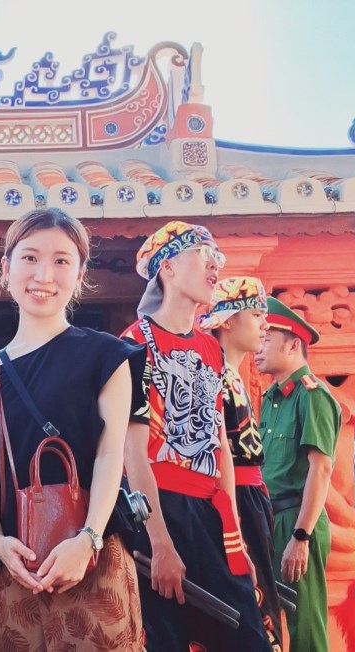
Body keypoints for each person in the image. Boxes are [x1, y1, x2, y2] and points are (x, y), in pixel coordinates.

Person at [0, 207, 145, 651]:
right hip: (10, 568)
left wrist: (88, 539)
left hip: (92, 560)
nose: (44, 274)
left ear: (79, 274)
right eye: (30, 257)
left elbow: (111, 452)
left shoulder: (107, 355)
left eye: (61, 260)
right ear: (6, 268)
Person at [121, 221, 270, 651]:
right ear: (166, 267)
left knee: (247, 638)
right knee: (165, 639)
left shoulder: (210, 348)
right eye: (205, 257)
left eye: (218, 260)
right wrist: (159, 541)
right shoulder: (132, 346)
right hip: (159, 509)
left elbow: (220, 442)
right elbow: (133, 450)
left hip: (213, 511)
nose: (214, 268)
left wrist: (235, 538)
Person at [200, 277, 283, 650]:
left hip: (249, 496)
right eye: (256, 314)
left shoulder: (230, 374)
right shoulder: (214, 374)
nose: (265, 324)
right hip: (231, 500)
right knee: (249, 610)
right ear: (227, 320)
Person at [255, 296, 341, 652]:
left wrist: (301, 536)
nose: (257, 348)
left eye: (266, 339)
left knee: (304, 626)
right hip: (268, 516)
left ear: (293, 344)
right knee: (266, 622)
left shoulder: (313, 396)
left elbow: (321, 468)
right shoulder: (269, 398)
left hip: (296, 518)